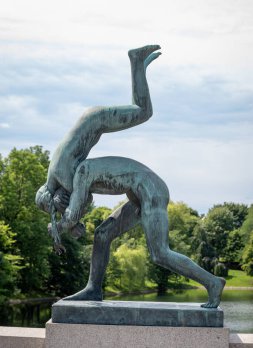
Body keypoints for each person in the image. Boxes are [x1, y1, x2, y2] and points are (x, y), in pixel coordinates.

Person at [55, 156, 225, 309]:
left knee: (160, 253)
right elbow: (76, 213)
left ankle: (212, 283)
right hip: (138, 195)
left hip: (151, 189)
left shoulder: (82, 172)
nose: (66, 209)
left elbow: (73, 215)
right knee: (102, 235)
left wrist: (56, 227)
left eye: (63, 208)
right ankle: (93, 289)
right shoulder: (80, 176)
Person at [35, 45, 161, 247]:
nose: (63, 201)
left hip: (97, 121)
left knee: (143, 111)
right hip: (93, 120)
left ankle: (136, 61)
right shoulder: (54, 170)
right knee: (141, 110)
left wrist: (62, 226)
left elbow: (80, 203)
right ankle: (139, 67)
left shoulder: (64, 176)